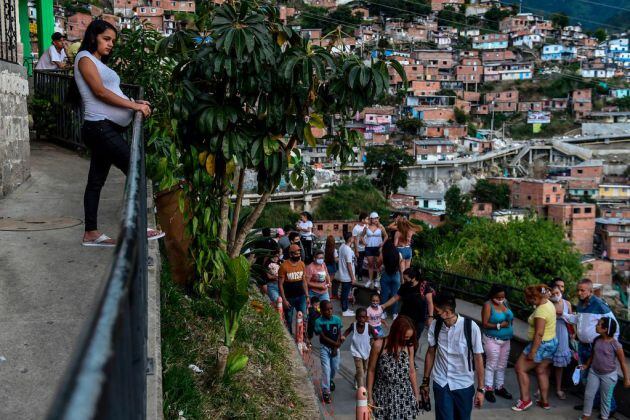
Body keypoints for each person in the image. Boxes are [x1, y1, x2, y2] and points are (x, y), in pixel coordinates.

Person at [423, 291, 485, 420]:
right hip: (441, 383)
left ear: (446, 312)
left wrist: (481, 389)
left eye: (437, 311)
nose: (435, 313)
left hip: (463, 384)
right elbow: (430, 352)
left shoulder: (471, 327)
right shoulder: (436, 325)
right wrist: (425, 382)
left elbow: (478, 358)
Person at [564, 278, 619, 414]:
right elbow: (578, 319)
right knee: (586, 377)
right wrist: (563, 315)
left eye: (582, 290)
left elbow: (614, 325)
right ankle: (593, 404)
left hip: (597, 349)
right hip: (582, 346)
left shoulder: (600, 305)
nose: (579, 292)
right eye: (578, 290)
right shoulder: (581, 304)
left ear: (590, 291)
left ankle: (610, 408)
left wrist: (610, 345)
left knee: (602, 379)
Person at [512, 285, 557, 412]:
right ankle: (544, 401)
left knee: (520, 368)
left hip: (540, 344)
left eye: (530, 299)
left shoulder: (541, 311)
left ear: (535, 297)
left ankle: (525, 400)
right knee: (541, 371)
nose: (528, 301)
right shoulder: (548, 303)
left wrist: (532, 352)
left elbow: (539, 333)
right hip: (551, 342)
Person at [367, 315, 420, 420]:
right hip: (383, 395)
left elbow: (412, 371)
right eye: (405, 337)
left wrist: (416, 395)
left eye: (409, 337)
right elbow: (371, 371)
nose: (407, 340)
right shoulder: (378, 345)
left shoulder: (409, 347)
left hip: (405, 396)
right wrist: (369, 396)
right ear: (396, 333)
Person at [579, 317, 630, 420]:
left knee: (606, 399)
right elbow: (593, 355)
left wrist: (626, 378)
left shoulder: (616, 345)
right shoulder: (597, 340)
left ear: (605, 329)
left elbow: (623, 363)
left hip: (609, 376)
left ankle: (604, 417)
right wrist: (587, 365)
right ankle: (586, 415)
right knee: (589, 394)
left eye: (599, 324)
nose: (596, 325)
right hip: (594, 372)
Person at [381, 267, 434, 344]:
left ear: (413, 278)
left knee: (413, 340)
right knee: (397, 335)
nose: (404, 281)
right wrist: (384, 306)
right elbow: (396, 297)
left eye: (406, 279)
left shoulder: (424, 286)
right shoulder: (405, 286)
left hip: (418, 320)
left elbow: (430, 302)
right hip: (404, 316)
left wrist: (430, 317)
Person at [480, 284, 514, 403]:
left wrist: (504, 307)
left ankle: (499, 387)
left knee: (502, 364)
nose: (500, 299)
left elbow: (511, 317)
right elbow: (484, 324)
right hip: (492, 339)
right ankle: (488, 388)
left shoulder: (505, 303)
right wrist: (499, 326)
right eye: (498, 297)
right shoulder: (488, 305)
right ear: (493, 295)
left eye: (503, 297)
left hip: (506, 340)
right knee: (491, 364)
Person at [314, 300, 344, 403]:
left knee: (335, 367)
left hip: (335, 348)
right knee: (326, 369)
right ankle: (326, 391)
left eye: (331, 309)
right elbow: (322, 336)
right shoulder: (319, 322)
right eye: (326, 310)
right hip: (324, 348)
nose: (330, 311)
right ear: (321, 311)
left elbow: (339, 333)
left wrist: (336, 348)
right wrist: (335, 344)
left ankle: (330, 380)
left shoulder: (337, 320)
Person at [278, 244, 309, 335]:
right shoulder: (284, 266)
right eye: (296, 254)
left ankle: (304, 337)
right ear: (291, 254)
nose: (298, 255)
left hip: (301, 296)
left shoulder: (302, 264)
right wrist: (284, 300)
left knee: (304, 317)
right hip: (289, 298)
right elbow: (280, 285)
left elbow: (304, 281)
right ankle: (290, 338)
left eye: (299, 253)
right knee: (289, 319)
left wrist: (307, 296)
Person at [550, 284, 572, 400]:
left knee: (559, 364)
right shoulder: (548, 303)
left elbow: (571, 320)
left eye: (557, 293)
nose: (555, 296)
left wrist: (563, 314)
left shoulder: (567, 303)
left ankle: (558, 388)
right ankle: (542, 387)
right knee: (547, 361)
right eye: (553, 294)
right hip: (550, 331)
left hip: (562, 332)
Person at [344, 307, 372, 389]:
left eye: (363, 317)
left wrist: (376, 341)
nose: (361, 319)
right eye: (359, 317)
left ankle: (356, 378)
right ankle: (361, 390)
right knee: (361, 372)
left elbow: (376, 336)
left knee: (365, 369)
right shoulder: (353, 325)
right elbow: (347, 331)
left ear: (366, 318)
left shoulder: (369, 327)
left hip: (366, 352)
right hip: (356, 352)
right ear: (356, 318)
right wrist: (343, 336)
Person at [364, 212, 387, 289]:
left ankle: (377, 280)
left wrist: (382, 244)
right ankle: (370, 280)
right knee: (370, 264)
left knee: (378, 264)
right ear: (371, 219)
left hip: (378, 248)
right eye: (373, 218)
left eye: (376, 218)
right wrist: (364, 242)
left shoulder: (380, 226)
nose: (375, 219)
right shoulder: (367, 226)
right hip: (369, 248)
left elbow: (386, 236)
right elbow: (361, 236)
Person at [379, 239, 401, 319]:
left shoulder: (384, 253)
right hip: (396, 275)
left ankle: (383, 313)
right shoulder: (398, 253)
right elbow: (400, 267)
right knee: (395, 295)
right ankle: (394, 313)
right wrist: (402, 278)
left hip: (386, 274)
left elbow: (379, 262)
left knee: (384, 294)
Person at [337, 232, 357, 317]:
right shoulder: (348, 250)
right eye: (352, 237)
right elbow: (349, 264)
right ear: (350, 239)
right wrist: (353, 277)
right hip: (347, 275)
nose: (353, 239)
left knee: (344, 293)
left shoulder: (342, 246)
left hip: (343, 273)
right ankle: (344, 310)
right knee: (345, 293)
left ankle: (345, 308)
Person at [352, 212, 368, 282]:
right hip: (359, 249)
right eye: (367, 219)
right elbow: (355, 240)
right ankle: (359, 276)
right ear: (362, 220)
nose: (368, 220)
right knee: (360, 263)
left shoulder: (366, 226)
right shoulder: (356, 228)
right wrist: (356, 250)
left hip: (367, 247)